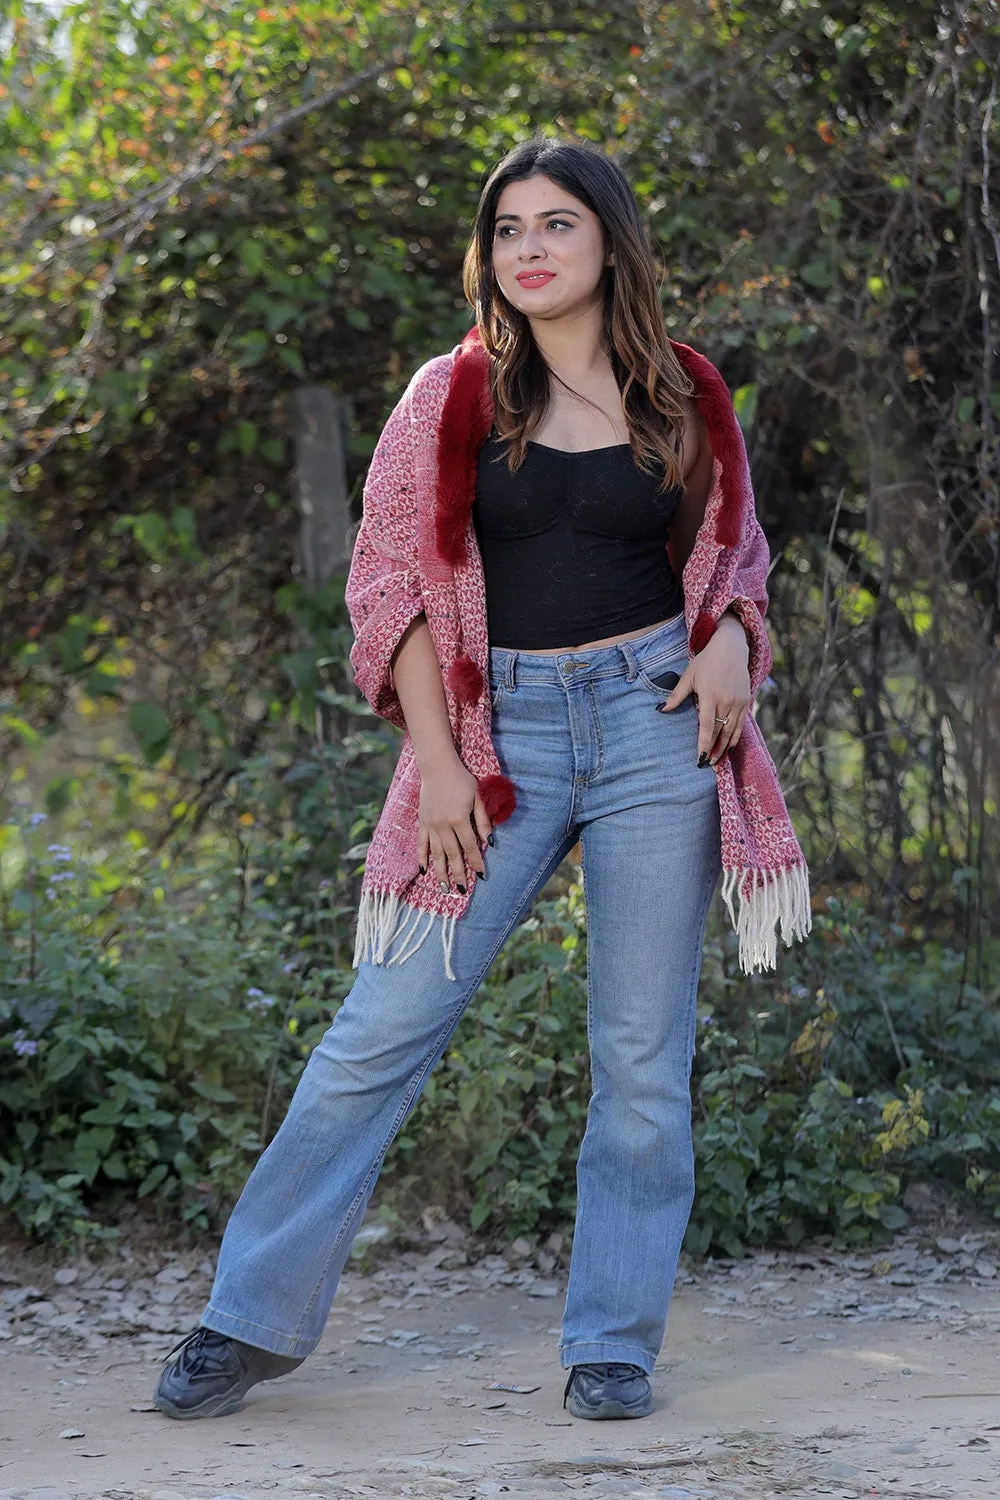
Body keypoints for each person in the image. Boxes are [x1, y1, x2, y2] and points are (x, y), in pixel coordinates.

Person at [154, 137, 810, 1424]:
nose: (528, 251)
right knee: (379, 1030)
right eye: (508, 229)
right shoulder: (447, 395)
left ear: (609, 243)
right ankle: (245, 1319)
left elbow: (736, 558)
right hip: (492, 738)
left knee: (638, 1055)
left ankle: (612, 1342)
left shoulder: (685, 395)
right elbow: (387, 587)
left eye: (555, 225)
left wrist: (732, 635)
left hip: (649, 730)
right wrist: (441, 766)